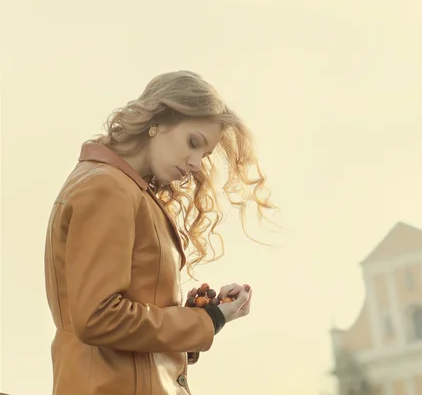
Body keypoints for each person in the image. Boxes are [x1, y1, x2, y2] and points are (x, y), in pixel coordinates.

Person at [44, 70, 275, 395]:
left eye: (204, 155)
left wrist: (199, 315)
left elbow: (127, 321)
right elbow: (98, 317)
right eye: (193, 143)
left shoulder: (122, 189)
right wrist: (206, 320)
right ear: (159, 121)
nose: (196, 163)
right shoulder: (106, 188)